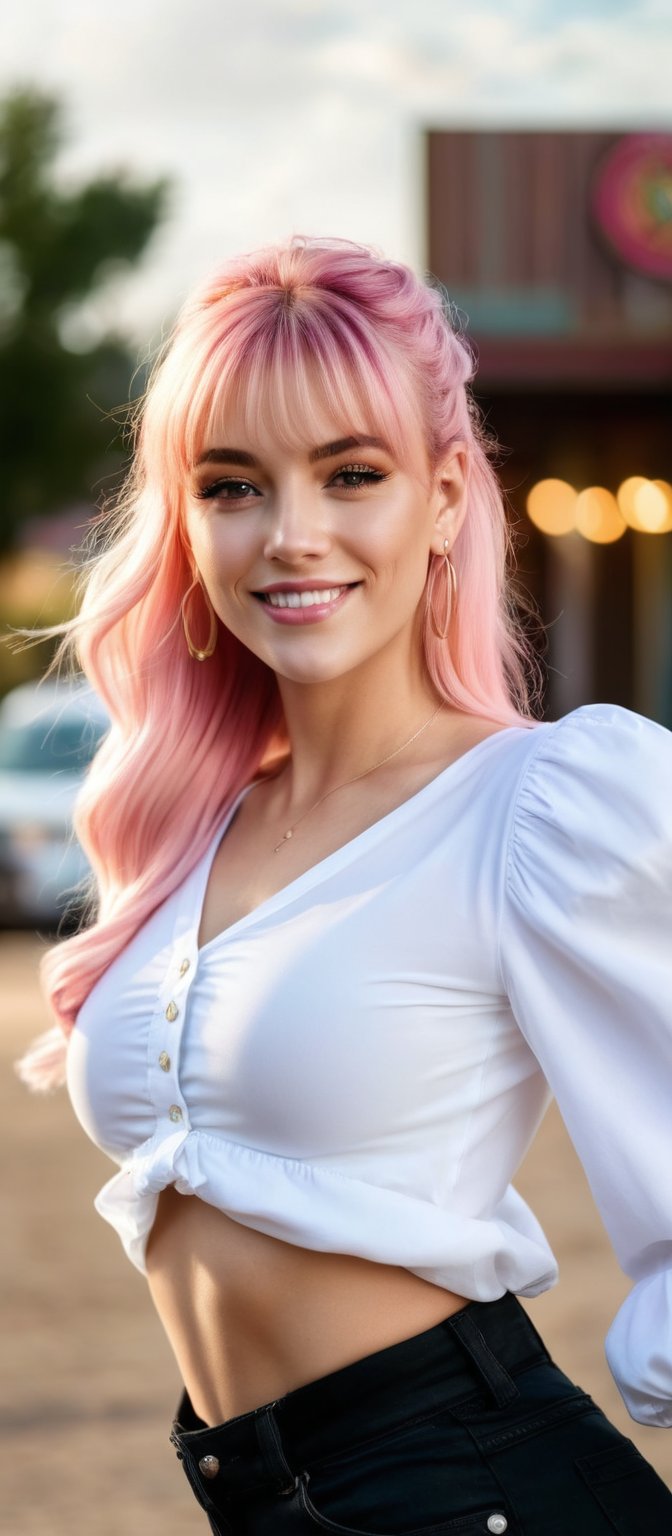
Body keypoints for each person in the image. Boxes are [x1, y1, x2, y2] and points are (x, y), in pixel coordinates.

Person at [16, 236, 672, 1534]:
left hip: (469, 1486)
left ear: (443, 500)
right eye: (233, 485)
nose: (291, 536)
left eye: (351, 474)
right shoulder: (194, 823)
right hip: (260, 1491)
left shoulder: (542, 806)